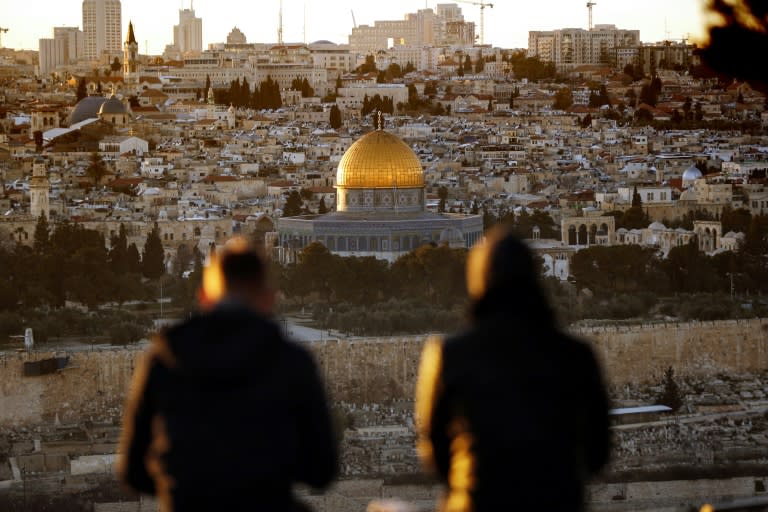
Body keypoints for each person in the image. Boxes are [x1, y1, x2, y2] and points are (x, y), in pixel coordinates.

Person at [118, 240, 338, 511]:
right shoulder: (292, 362)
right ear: (268, 300)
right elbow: (321, 471)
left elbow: (133, 472)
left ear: (204, 298)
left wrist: (179, 488)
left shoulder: (162, 359)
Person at [415, 225, 610, 512]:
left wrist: (467, 480)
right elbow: (598, 453)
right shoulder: (577, 355)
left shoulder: (450, 355)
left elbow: (435, 449)